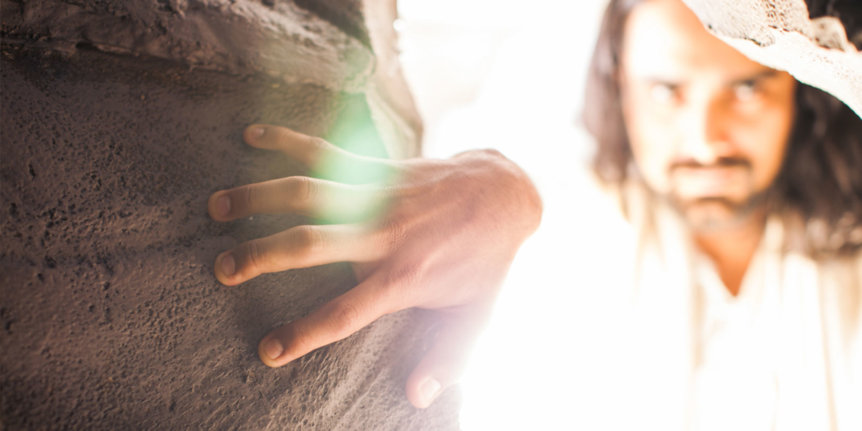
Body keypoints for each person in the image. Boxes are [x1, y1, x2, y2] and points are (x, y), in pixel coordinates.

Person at [207, 0, 862, 426]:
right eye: (668, 90)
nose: (706, 137)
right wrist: (504, 200)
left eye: (746, 89)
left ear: (801, 96)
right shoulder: (574, 242)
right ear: (622, 91)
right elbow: (526, 233)